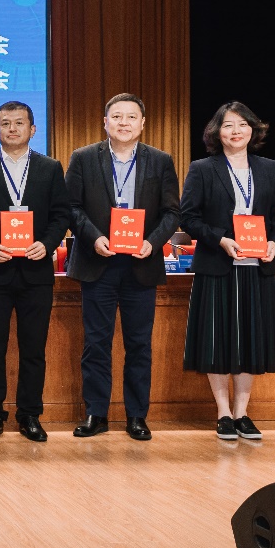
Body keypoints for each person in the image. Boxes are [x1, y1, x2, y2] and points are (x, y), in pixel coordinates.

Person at [65, 94, 180, 441]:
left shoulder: (160, 160)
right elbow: (71, 207)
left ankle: (136, 416)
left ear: (142, 123)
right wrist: (94, 237)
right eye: (117, 117)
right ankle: (96, 413)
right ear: (105, 122)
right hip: (98, 261)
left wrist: (153, 242)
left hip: (141, 264)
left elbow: (172, 212)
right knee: (96, 343)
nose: (124, 123)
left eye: (131, 117)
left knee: (139, 344)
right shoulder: (83, 157)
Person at [180, 101, 275, 441]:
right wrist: (221, 239)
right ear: (217, 132)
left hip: (257, 268)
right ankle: (223, 413)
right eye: (228, 125)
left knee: (250, 340)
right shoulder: (202, 168)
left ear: (253, 129)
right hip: (218, 264)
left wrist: (274, 243)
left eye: (242, 124)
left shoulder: (269, 168)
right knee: (217, 341)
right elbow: (188, 217)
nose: (236, 131)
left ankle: (242, 413)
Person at [0, 101, 70, 442]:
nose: (12, 128)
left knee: (33, 349)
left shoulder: (50, 168)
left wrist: (48, 243)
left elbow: (61, 214)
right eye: (5, 123)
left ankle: (30, 415)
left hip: (36, 272)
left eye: (19, 123)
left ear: (32, 129)